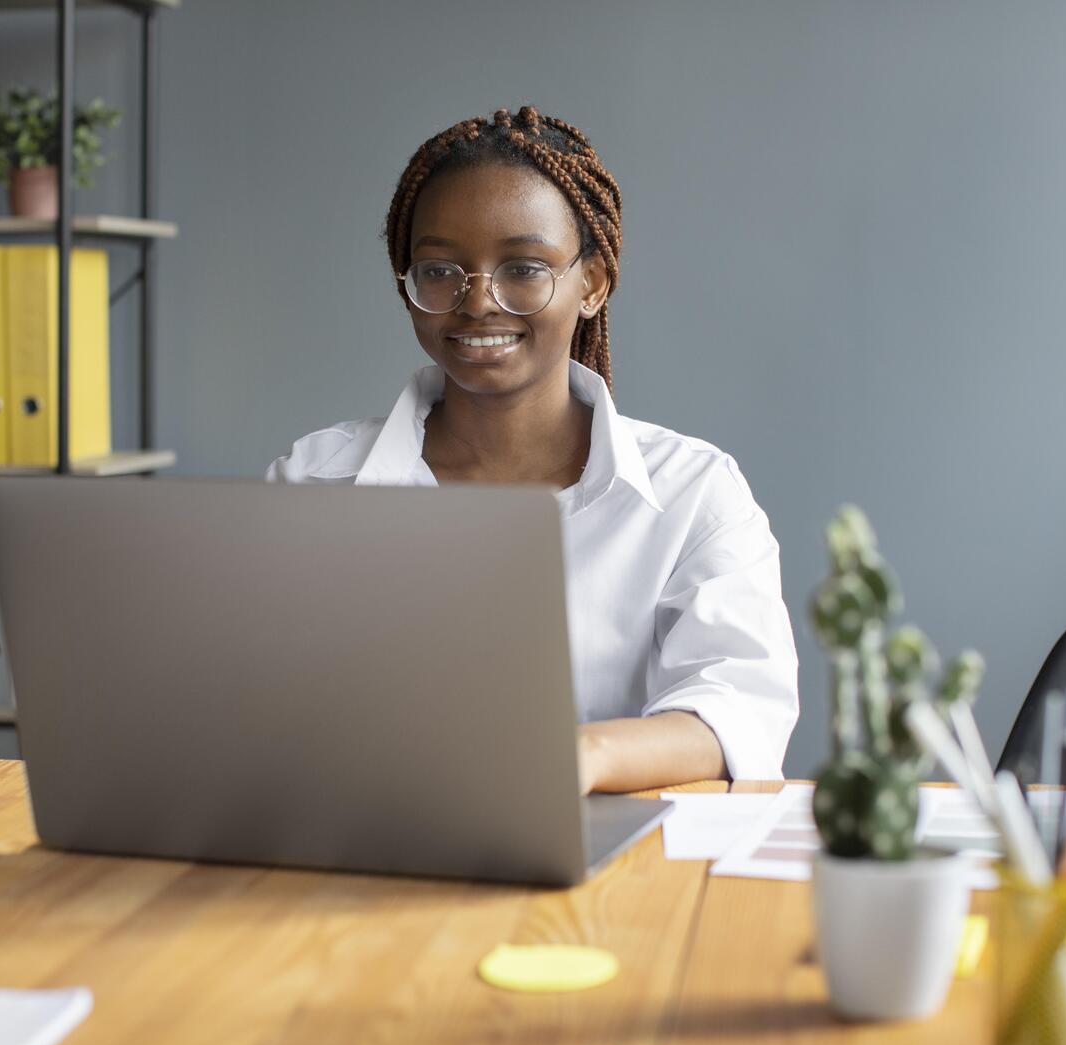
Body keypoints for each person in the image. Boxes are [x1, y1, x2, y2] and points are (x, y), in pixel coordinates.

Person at [266, 106, 799, 793]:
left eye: (523, 266)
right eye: (439, 269)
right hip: (362, 854)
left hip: (602, 879)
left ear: (593, 282)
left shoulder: (692, 494)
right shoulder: (313, 482)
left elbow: (736, 707)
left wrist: (583, 755)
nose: (478, 301)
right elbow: (254, 695)